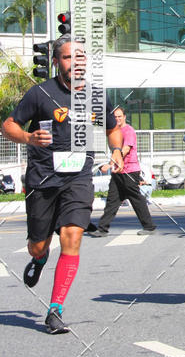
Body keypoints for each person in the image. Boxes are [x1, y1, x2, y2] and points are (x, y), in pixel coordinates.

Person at [2, 35, 123, 334]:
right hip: (43, 179)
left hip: (79, 178)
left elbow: (112, 128)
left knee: (72, 236)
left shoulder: (97, 96)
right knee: (38, 245)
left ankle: (55, 309)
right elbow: (9, 125)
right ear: (57, 62)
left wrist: (117, 150)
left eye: (80, 58)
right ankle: (40, 258)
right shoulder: (40, 94)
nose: (75, 64)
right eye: (68, 58)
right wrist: (28, 138)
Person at [89, 108, 156, 236]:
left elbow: (125, 150)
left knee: (136, 199)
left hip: (129, 171)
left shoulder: (128, 131)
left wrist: (109, 164)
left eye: (120, 116)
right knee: (112, 200)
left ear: (124, 117)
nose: (117, 119)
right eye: (115, 117)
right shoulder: (115, 132)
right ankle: (102, 229)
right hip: (117, 172)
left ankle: (149, 226)